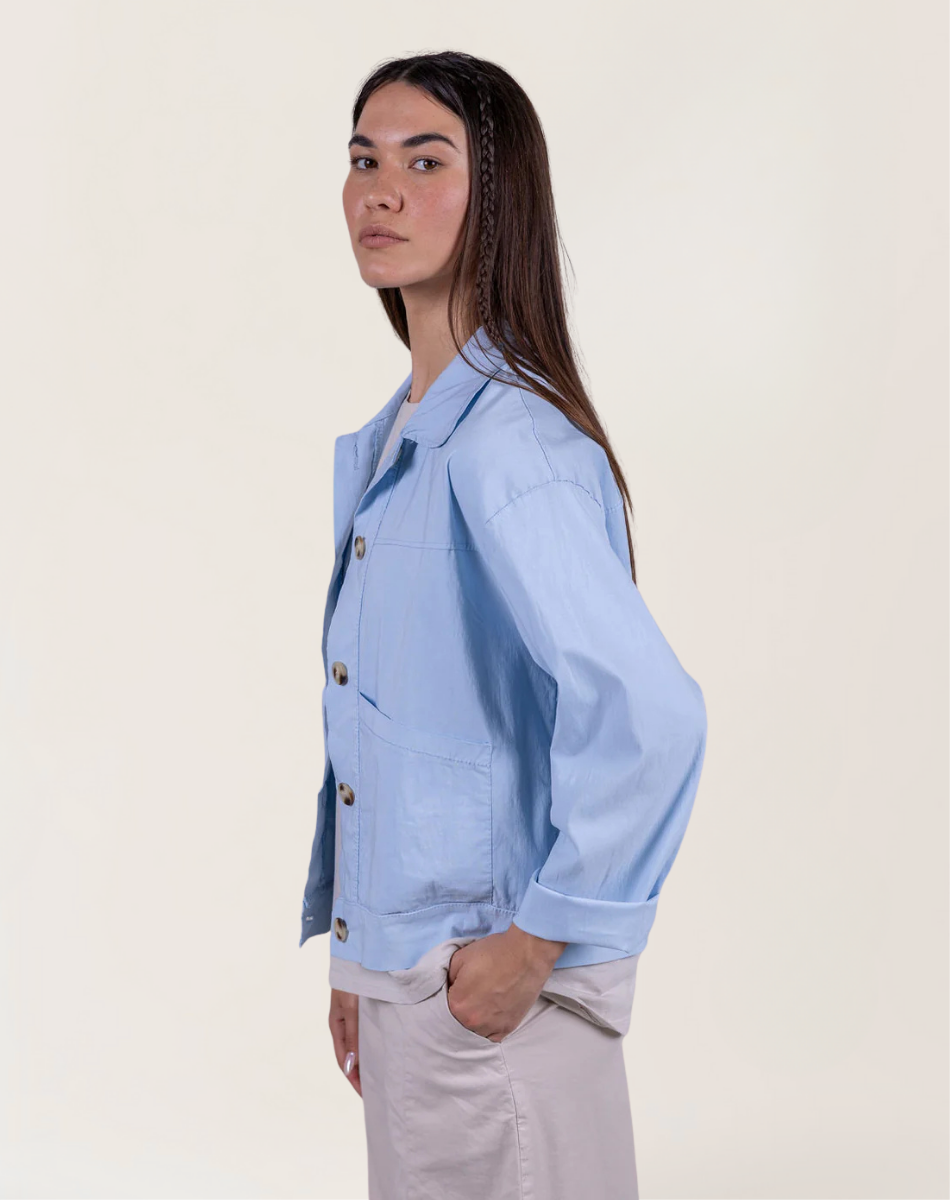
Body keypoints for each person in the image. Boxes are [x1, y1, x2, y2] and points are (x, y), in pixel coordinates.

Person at [299, 50, 708, 1200]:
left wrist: (533, 945)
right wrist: (360, 956)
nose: (380, 192)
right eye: (363, 161)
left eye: (425, 162)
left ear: (499, 192)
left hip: (488, 1005)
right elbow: (418, 732)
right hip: (420, 989)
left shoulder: (507, 444)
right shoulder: (402, 441)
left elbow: (651, 716)